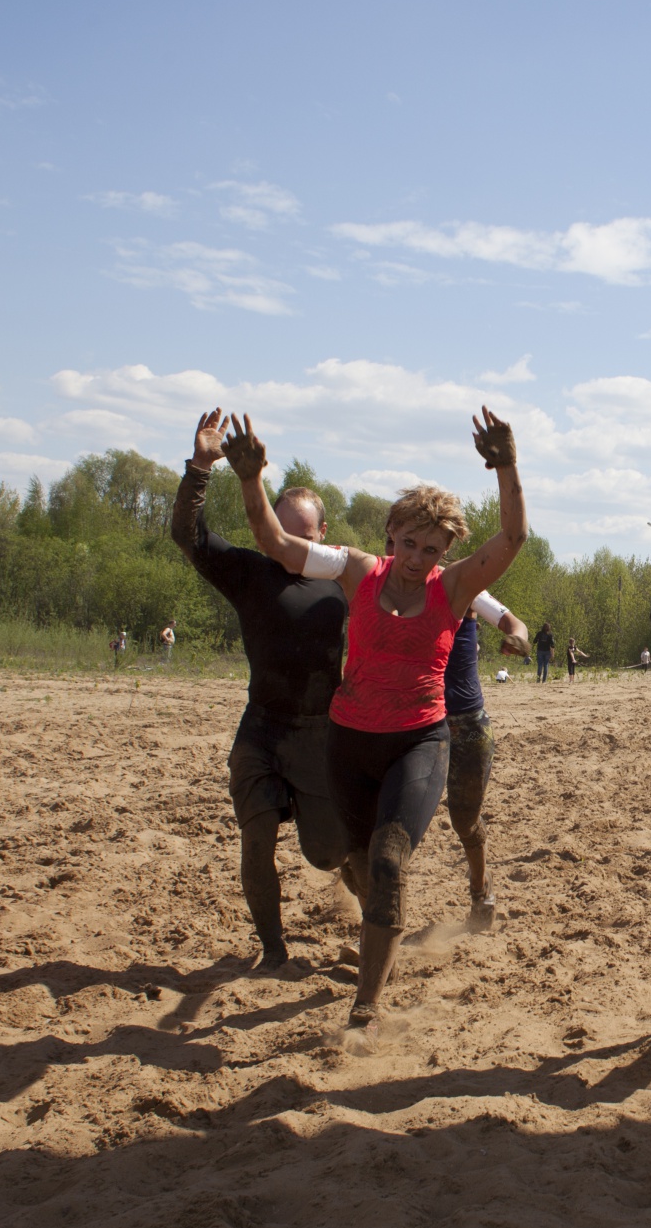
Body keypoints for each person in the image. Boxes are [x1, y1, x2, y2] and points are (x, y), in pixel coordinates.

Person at [228, 407, 525, 1041]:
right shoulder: (357, 570)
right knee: (349, 859)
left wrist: (506, 467)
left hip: (419, 741)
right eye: (410, 543)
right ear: (391, 534)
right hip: (349, 743)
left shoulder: (453, 589)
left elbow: (511, 541)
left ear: (446, 552)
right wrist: (250, 479)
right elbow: (275, 544)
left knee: (390, 860)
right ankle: (379, 941)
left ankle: (366, 1006)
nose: (418, 558)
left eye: (433, 549)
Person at [173, 409, 352, 971]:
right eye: (280, 531)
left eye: (303, 534)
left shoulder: (349, 583)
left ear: (322, 536)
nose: (290, 543)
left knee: (328, 854)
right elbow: (188, 534)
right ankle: (274, 953)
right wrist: (201, 468)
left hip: (322, 737)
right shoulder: (251, 572)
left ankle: (365, 904)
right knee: (256, 838)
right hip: (263, 729)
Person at [442, 593, 529, 931]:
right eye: (393, 542)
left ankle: (480, 890)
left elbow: (513, 624)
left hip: (468, 726)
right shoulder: (388, 585)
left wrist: (517, 638)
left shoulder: (463, 584)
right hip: (415, 721)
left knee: (464, 820)